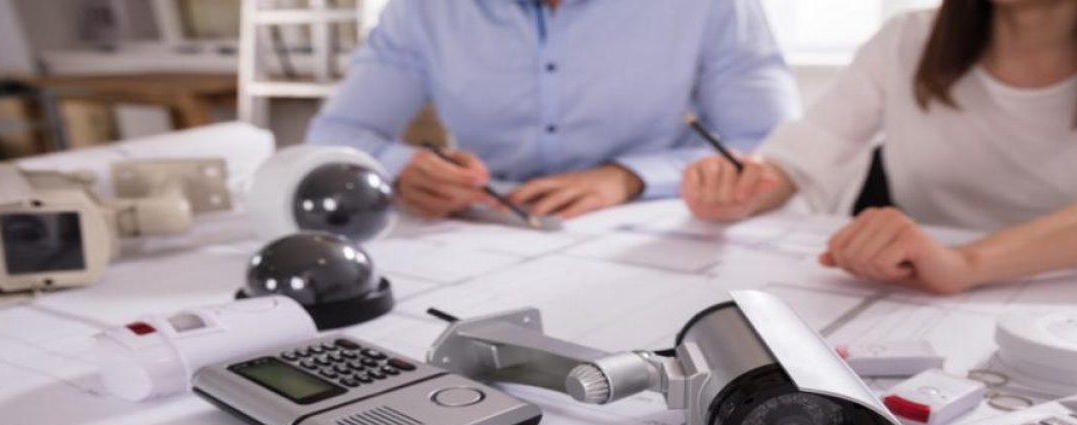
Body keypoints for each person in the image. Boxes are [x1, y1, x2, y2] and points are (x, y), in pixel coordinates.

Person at [681, 0, 1077, 294]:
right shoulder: (907, 39)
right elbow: (802, 157)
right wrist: (741, 187)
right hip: (933, 303)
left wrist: (969, 261)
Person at [307, 0, 801, 220]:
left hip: (656, 229)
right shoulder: (422, 8)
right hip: (484, 228)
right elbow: (335, 135)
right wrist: (401, 170)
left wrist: (629, 177)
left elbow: (774, 144)